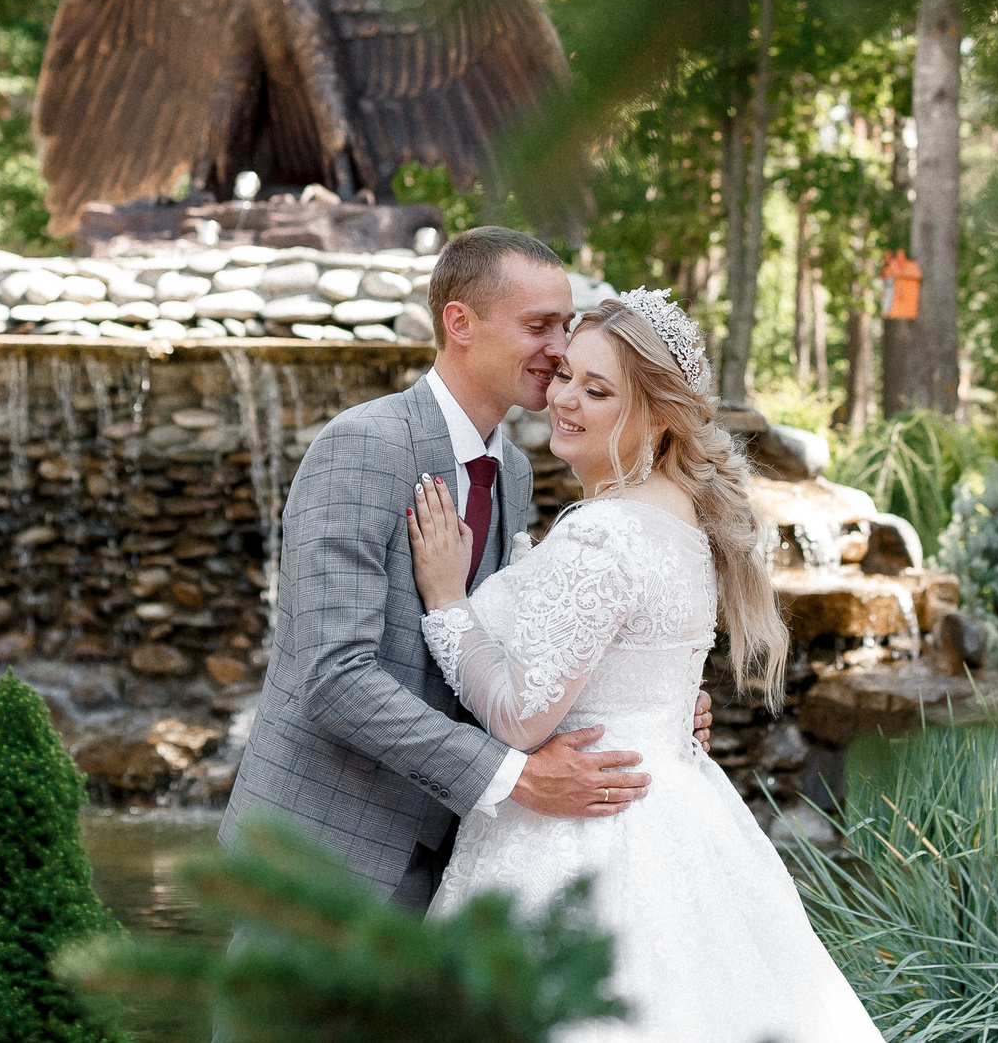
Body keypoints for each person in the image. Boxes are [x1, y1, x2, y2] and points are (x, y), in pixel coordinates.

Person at [406, 288, 885, 1042]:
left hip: (581, 833)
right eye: (566, 373)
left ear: (660, 415)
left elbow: (520, 715)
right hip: (678, 814)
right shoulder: (679, 516)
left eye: (598, 390)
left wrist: (445, 598)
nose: (564, 397)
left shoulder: (605, 534)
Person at [223, 226, 710, 906]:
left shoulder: (512, 470)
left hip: (452, 850)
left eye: (564, 326)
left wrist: (641, 703)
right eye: (539, 325)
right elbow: (333, 674)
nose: (560, 348)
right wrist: (513, 776)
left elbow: (506, 650)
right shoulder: (365, 445)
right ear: (461, 322)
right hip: (325, 848)